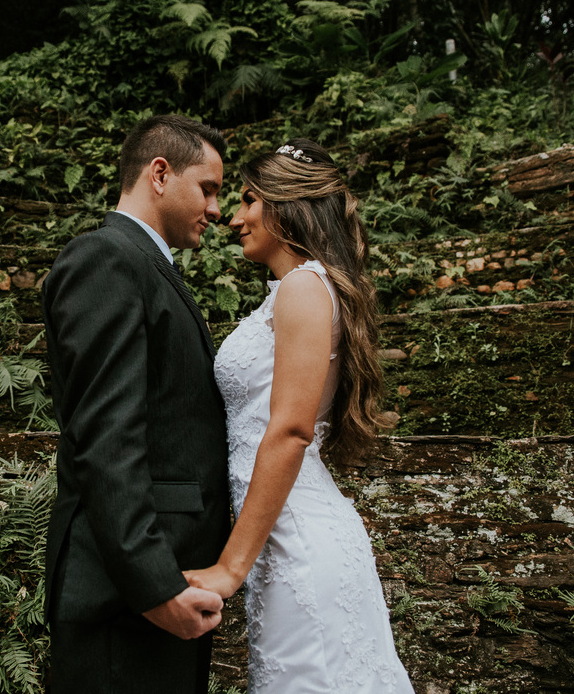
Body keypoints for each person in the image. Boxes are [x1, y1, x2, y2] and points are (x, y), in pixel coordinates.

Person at [185, 139, 416, 693]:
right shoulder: (297, 291)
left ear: (287, 203)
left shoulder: (304, 288)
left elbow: (288, 432)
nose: (234, 218)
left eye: (248, 200)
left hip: (299, 543)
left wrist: (229, 569)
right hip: (282, 540)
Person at [41, 114, 232, 693]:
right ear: (159, 173)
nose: (217, 209)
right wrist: (156, 589)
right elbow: (108, 437)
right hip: (125, 602)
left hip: (154, 589)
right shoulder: (106, 258)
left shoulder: (146, 266)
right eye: (209, 188)